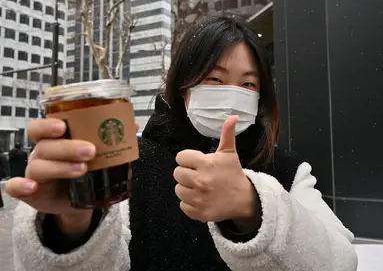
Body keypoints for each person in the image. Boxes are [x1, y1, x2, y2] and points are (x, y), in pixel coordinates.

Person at [6, 15, 357, 270]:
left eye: (248, 84)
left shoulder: (287, 170)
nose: (231, 95)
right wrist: (69, 228)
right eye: (214, 79)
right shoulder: (126, 164)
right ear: (183, 87)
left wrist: (254, 208)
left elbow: (341, 262)